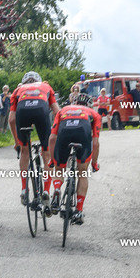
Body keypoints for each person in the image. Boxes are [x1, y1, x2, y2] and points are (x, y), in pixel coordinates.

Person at [8, 71, 59, 213]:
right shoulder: (46, 86)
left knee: (25, 152)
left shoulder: (18, 90)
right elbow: (57, 112)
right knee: (47, 154)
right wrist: (57, 134)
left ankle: (24, 189)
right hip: (41, 111)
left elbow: (11, 119)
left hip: (22, 112)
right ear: (39, 81)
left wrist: (17, 142)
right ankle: (46, 190)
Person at [48, 93, 101, 225]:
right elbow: (95, 143)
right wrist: (94, 163)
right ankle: (78, 210)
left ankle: (57, 189)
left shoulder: (63, 110)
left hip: (64, 132)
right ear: (89, 105)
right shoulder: (94, 114)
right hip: (83, 132)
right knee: (82, 173)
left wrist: (52, 159)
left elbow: (52, 138)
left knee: (59, 169)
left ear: (74, 103)